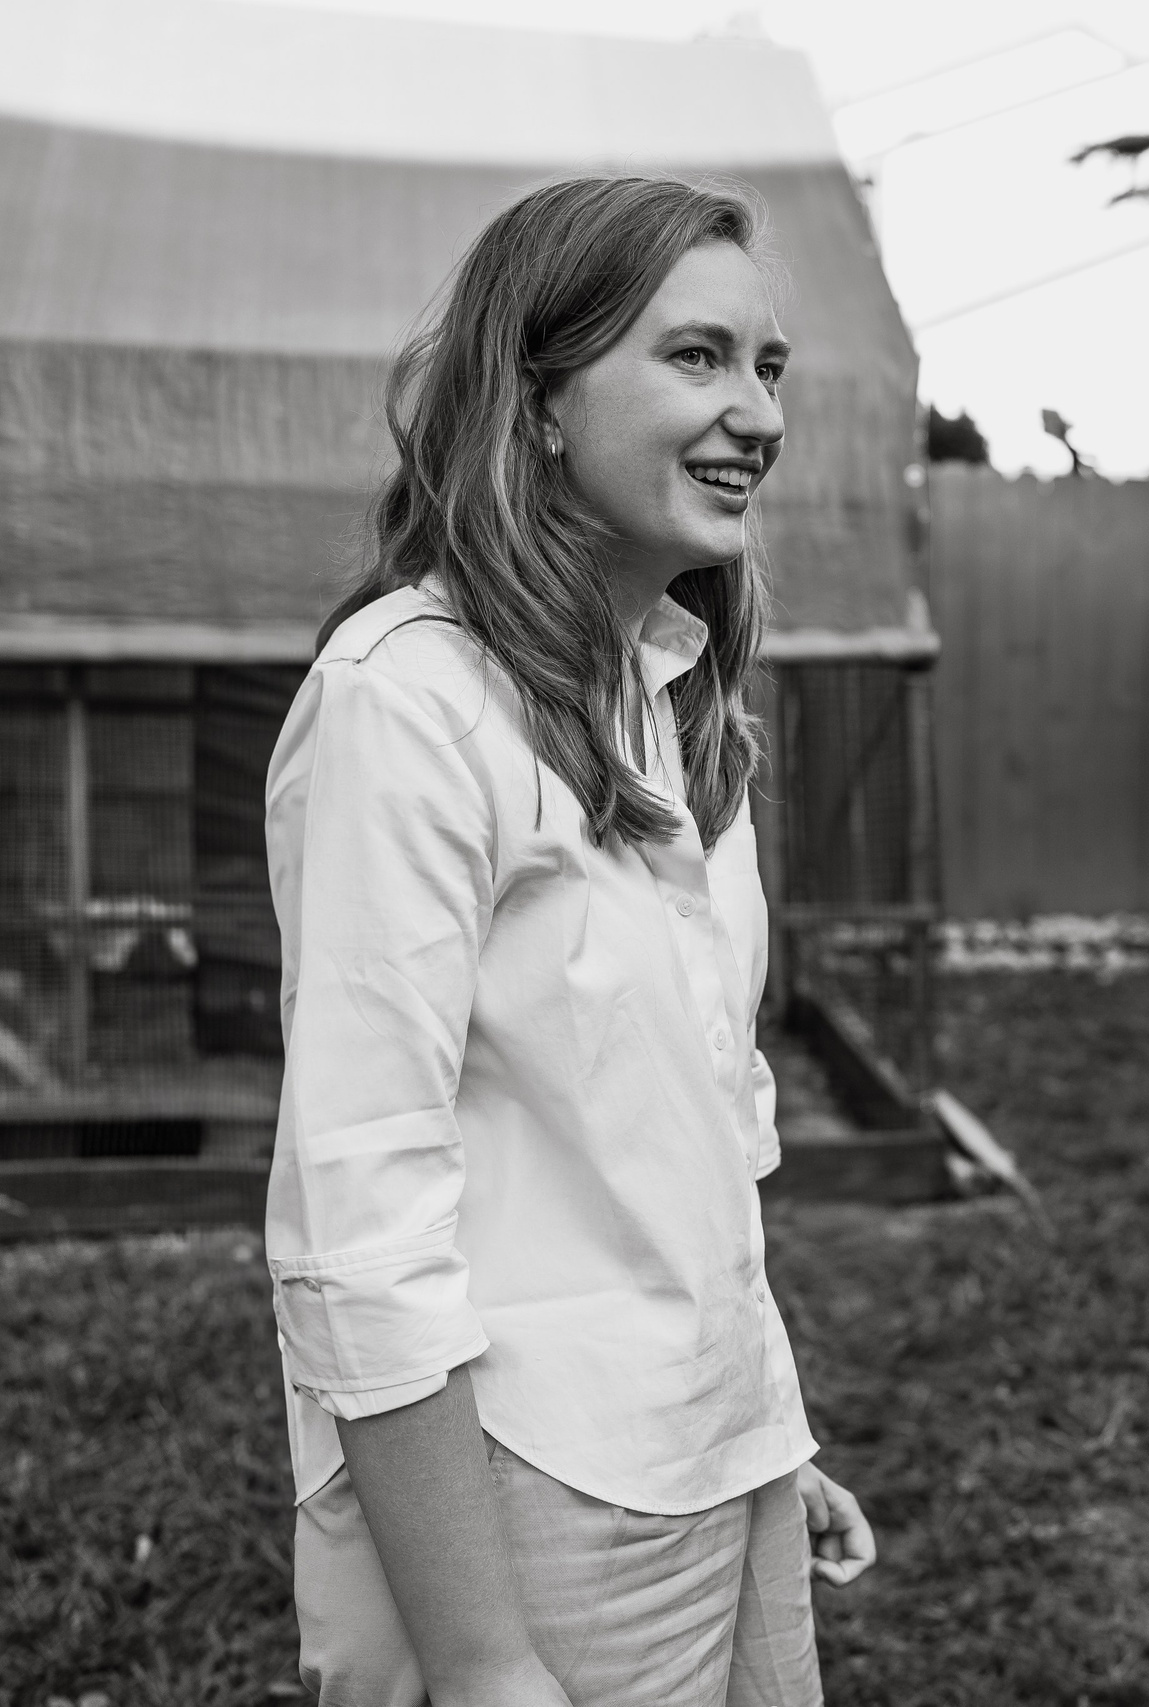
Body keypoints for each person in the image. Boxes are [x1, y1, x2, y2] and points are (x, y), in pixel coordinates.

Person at [264, 176, 874, 1707]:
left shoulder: (659, 690)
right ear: (535, 399)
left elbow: (670, 1147)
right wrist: (481, 1659)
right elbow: (361, 1228)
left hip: (708, 1455)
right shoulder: (405, 701)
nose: (756, 411)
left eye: (770, 365)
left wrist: (754, 1449)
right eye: (696, 356)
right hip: (538, 1489)